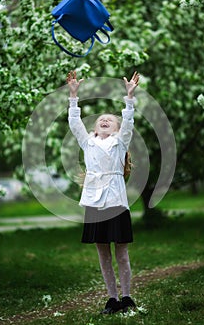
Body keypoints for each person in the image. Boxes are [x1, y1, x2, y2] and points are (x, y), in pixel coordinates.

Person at [67, 70, 139, 314]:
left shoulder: (120, 141)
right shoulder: (88, 142)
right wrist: (73, 96)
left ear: (117, 128)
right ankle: (112, 299)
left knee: (121, 252)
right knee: (102, 252)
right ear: (95, 128)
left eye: (111, 119)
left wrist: (129, 98)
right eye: (101, 119)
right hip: (94, 203)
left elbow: (128, 122)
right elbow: (75, 124)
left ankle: (127, 297)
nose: (105, 120)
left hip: (116, 201)